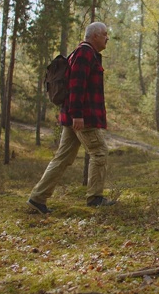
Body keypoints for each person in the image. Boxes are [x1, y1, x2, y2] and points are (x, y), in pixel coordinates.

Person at [27, 22, 114, 214]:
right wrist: (77, 114)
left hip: (76, 116)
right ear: (94, 36)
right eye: (104, 34)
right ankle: (95, 198)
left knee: (63, 158)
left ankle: (37, 198)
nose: (107, 38)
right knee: (99, 151)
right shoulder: (84, 54)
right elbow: (77, 86)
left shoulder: (85, 54)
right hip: (82, 117)